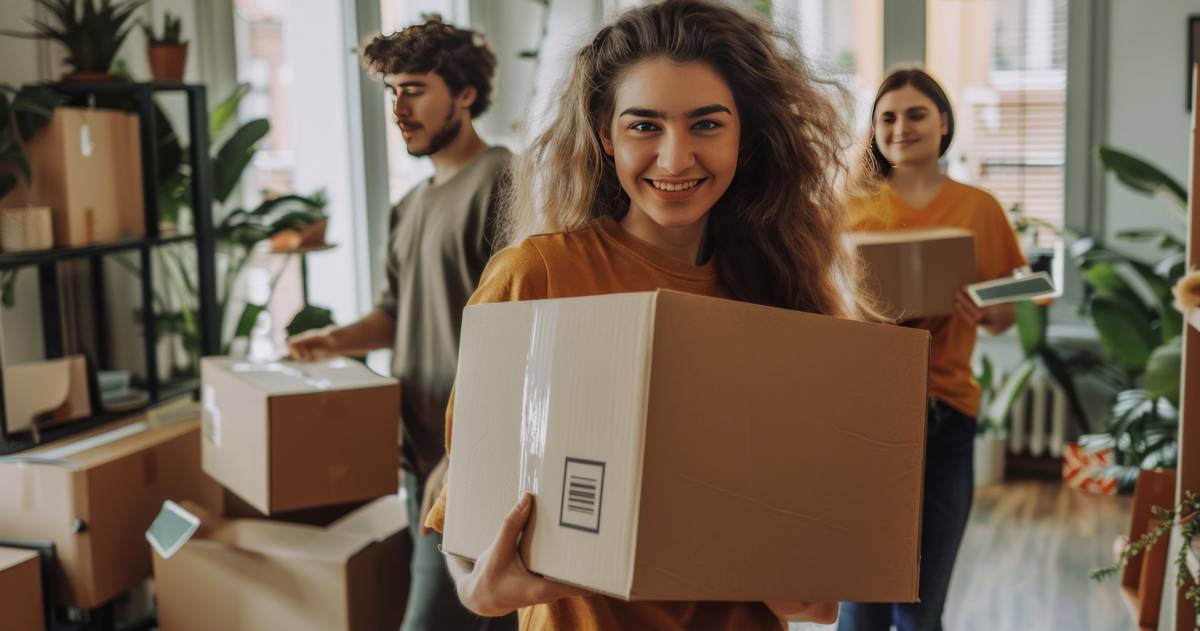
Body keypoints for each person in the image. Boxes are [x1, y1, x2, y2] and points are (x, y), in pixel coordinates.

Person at [423, 0, 874, 628]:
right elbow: (462, 511)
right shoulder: (540, 278)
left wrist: (806, 576)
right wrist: (478, 591)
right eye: (644, 126)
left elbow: (809, 579)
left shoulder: (783, 296)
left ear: (746, 137)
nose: (674, 158)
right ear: (605, 137)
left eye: (706, 125)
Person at [287, 16, 515, 631]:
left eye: (414, 89)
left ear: (465, 94)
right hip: (420, 451)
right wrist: (334, 340)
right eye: (392, 92)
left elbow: (523, 329)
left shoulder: (502, 180)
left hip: (474, 452)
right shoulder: (409, 206)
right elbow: (396, 314)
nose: (399, 108)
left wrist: (466, 448)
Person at [837, 68, 1027, 631]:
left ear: (943, 122)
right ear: (874, 129)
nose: (901, 127)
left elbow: (1008, 310)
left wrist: (989, 310)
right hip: (863, 414)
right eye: (888, 117)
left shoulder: (979, 208)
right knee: (862, 601)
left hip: (946, 411)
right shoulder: (848, 206)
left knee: (922, 607)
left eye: (916, 114)